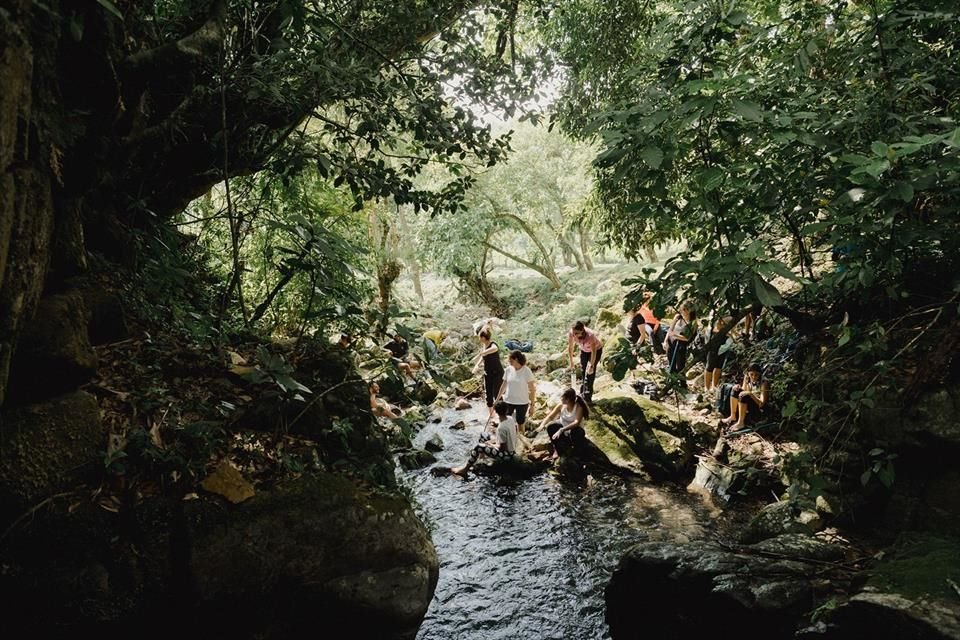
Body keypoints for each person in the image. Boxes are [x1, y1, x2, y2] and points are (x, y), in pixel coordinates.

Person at [451, 400, 518, 475]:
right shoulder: (510, 419)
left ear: (496, 412)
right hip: (512, 449)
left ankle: (465, 470)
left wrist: (490, 444)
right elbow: (514, 430)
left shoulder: (501, 428)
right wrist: (493, 441)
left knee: (478, 447)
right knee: (484, 434)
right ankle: (481, 458)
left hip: (506, 455)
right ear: (507, 410)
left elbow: (502, 448)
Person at [538, 388, 590, 459]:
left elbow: (576, 422)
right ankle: (557, 448)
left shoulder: (578, 407)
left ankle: (576, 450)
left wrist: (561, 430)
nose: (560, 398)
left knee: (576, 431)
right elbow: (550, 416)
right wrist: (542, 424)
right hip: (563, 430)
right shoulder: (561, 405)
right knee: (550, 426)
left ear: (567, 400)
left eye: (562, 397)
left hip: (574, 430)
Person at [495, 350, 537, 436]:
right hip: (508, 401)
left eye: (510, 360)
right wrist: (497, 398)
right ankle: (507, 439)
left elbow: (532, 389)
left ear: (516, 359)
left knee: (520, 423)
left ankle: (521, 441)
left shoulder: (526, 371)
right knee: (505, 421)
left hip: (522, 402)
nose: (508, 361)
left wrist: (532, 405)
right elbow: (504, 385)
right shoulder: (508, 370)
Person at [721, 363, 769, 431]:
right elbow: (743, 391)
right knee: (735, 390)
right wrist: (738, 387)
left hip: (758, 409)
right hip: (749, 404)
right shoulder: (747, 378)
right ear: (748, 373)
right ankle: (733, 416)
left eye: (756, 375)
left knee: (745, 396)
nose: (754, 377)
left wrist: (751, 394)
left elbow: (761, 404)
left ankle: (741, 423)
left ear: (760, 374)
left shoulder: (764, 382)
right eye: (751, 374)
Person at [567, 321, 603, 403]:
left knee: (590, 373)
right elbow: (570, 347)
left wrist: (592, 365)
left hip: (595, 351)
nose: (574, 335)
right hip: (584, 350)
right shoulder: (571, 333)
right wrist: (571, 361)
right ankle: (582, 392)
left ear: (582, 331)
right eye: (573, 332)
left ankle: (588, 396)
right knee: (583, 370)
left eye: (576, 333)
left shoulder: (590, 335)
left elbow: (594, 351)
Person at [472, 328, 505, 420]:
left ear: (483, 337)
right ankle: (491, 415)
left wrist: (482, 353)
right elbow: (483, 357)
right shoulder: (484, 346)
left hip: (497, 373)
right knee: (488, 395)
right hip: (488, 373)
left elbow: (495, 349)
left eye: (480, 337)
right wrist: (477, 365)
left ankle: (501, 415)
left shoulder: (492, 344)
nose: (479, 338)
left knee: (497, 393)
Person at [664, 301, 697, 378]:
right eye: (682, 309)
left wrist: (675, 335)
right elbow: (670, 329)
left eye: (684, 310)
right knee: (671, 363)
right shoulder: (678, 317)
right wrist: (665, 341)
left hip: (681, 345)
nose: (682, 311)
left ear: (689, 311)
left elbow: (687, 338)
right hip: (671, 342)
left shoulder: (693, 322)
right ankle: (671, 380)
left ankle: (682, 384)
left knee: (680, 365)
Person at [703, 314, 734, 393]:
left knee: (718, 368)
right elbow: (707, 338)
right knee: (709, 367)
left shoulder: (727, 333)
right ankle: (706, 387)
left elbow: (729, 342)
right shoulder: (711, 330)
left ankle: (714, 386)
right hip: (713, 350)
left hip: (722, 351)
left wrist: (720, 350)